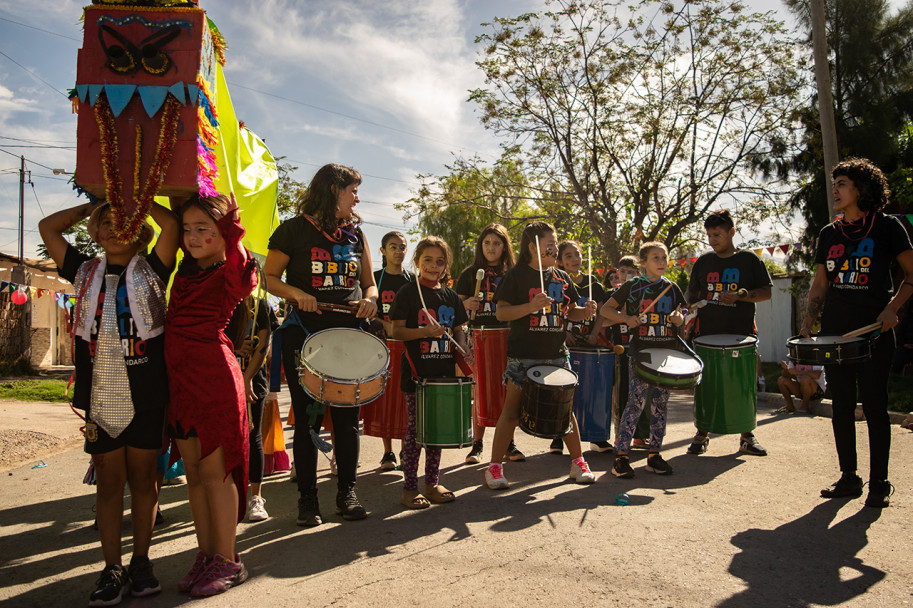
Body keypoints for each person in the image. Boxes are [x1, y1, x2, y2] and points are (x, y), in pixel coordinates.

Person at [39, 200, 178, 606]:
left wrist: (139, 197)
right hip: (101, 394)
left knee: (144, 480)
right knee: (110, 482)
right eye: (108, 224)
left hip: (147, 394)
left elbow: (169, 224)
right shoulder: (82, 269)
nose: (116, 229)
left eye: (126, 223)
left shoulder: (153, 267)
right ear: (96, 233)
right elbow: (49, 227)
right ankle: (112, 566)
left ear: (141, 232)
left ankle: (141, 560)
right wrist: (98, 202)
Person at [264, 163, 378, 526]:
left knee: (347, 421)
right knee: (308, 420)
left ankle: (347, 493)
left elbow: (369, 283)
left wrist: (371, 299)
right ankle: (307, 500)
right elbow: (268, 278)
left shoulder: (356, 236)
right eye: (352, 190)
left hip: (349, 338)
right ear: (333, 189)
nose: (357, 198)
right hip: (305, 334)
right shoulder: (293, 230)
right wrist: (297, 294)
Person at [800, 157, 913, 508]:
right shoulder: (829, 233)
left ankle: (879, 482)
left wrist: (892, 308)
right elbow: (820, 284)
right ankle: (849, 476)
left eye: (843, 183)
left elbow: (912, 275)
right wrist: (807, 324)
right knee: (842, 405)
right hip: (836, 333)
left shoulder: (888, 227)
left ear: (862, 189)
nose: (835, 190)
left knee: (875, 407)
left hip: (875, 331)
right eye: (835, 184)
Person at [166, 193, 257, 597]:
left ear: (223, 232)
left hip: (215, 380)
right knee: (196, 476)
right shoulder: (183, 272)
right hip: (180, 382)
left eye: (204, 228)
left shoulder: (233, 271)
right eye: (187, 229)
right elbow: (170, 222)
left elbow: (243, 268)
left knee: (217, 474)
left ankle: (229, 560)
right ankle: (206, 554)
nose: (191, 236)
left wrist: (232, 228)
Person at [484, 222, 598, 490]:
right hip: (523, 355)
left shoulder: (561, 276)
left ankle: (578, 462)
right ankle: (494, 467)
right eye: (550, 244)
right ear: (532, 247)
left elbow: (571, 312)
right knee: (511, 413)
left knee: (565, 412)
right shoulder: (516, 275)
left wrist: (586, 312)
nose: (555, 248)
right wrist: (530, 306)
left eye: (556, 243)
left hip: (557, 355)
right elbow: (501, 313)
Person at [391, 236, 472, 508]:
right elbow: (396, 330)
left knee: (435, 431)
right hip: (417, 374)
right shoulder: (407, 292)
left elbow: (459, 330)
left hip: (444, 374)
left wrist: (462, 349)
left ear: (446, 264)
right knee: (416, 431)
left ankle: (432, 483)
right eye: (428, 260)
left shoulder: (450, 295)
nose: (434, 266)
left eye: (440, 261)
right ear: (417, 262)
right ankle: (408, 488)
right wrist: (425, 332)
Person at [685, 209, 771, 457]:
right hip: (706, 334)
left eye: (718, 234)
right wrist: (688, 306)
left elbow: (766, 292)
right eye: (709, 235)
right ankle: (702, 433)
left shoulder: (749, 261)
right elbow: (692, 294)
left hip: (741, 335)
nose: (713, 240)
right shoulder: (703, 262)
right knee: (706, 385)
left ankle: (746, 436)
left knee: (742, 386)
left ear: (732, 233)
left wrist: (740, 295)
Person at [600, 242, 685, 478]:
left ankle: (654, 455)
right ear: (643, 263)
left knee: (660, 405)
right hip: (641, 352)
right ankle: (621, 457)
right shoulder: (633, 286)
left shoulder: (672, 287)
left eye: (664, 257)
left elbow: (684, 312)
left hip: (666, 354)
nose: (661, 262)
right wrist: (626, 318)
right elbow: (606, 310)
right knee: (635, 403)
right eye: (655, 258)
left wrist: (680, 318)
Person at [454, 224, 523, 464]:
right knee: (481, 391)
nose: (491, 248)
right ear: (480, 246)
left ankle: (509, 444)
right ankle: (477, 444)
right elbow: (454, 308)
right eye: (487, 243)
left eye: (496, 243)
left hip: (509, 336)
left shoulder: (515, 273)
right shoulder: (469, 274)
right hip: (480, 336)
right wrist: (465, 306)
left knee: (509, 392)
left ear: (504, 246)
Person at [550, 240, 612, 454]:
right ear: (560, 261)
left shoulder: (593, 283)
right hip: (565, 344)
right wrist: (564, 333)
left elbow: (602, 311)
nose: (575, 259)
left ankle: (596, 436)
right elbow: (555, 311)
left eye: (577, 254)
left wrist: (595, 333)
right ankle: (558, 436)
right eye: (569, 256)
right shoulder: (558, 281)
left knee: (592, 391)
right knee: (565, 393)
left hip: (588, 343)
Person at [226, 295, 279, 521]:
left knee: (252, 435)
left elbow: (264, 343)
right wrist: (233, 345)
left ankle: (255, 497)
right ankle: (227, 495)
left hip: (253, 381)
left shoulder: (261, 304)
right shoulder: (219, 300)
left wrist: (247, 379)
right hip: (222, 378)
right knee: (225, 438)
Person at [372, 231, 413, 470]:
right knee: (385, 401)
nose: (398, 251)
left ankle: (405, 448)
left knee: (406, 401)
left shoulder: (412, 282)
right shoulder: (375, 281)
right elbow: (370, 313)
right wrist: (387, 325)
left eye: (402, 247)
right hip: (382, 345)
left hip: (407, 347)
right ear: (383, 251)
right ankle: (388, 453)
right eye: (393, 247)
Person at [606, 256, 651, 450]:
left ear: (638, 274)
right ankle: (619, 435)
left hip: (640, 350)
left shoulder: (644, 294)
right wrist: (623, 317)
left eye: (631, 272)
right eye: (622, 271)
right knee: (622, 396)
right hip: (619, 350)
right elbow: (603, 321)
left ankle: (640, 436)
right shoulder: (612, 295)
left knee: (642, 396)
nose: (625, 276)